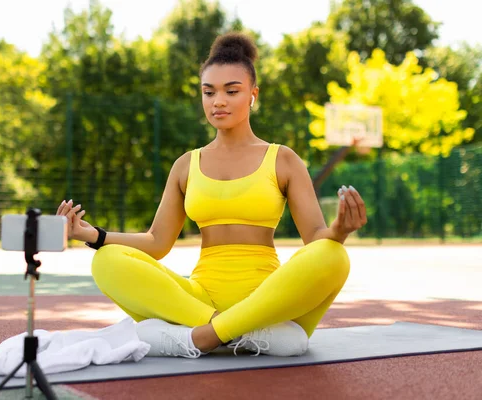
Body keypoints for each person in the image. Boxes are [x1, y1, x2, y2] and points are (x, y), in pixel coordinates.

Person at [56, 32, 367, 359]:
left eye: (232, 91)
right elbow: (156, 242)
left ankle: (202, 337)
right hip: (201, 299)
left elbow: (316, 238)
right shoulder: (186, 165)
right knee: (106, 260)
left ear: (252, 95)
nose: (218, 101)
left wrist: (340, 231)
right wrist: (91, 234)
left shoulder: (283, 159)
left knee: (333, 255)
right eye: (209, 92)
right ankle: (233, 331)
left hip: (270, 300)